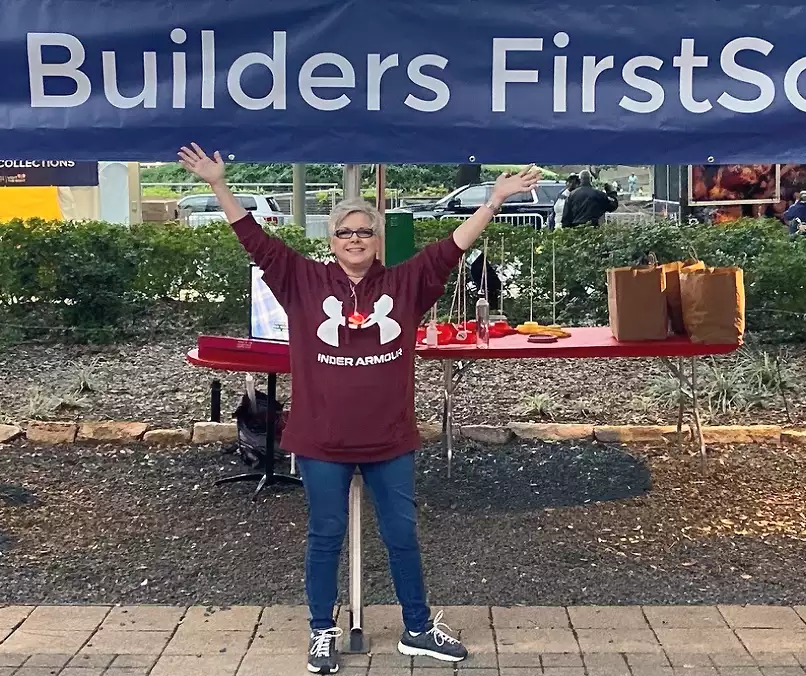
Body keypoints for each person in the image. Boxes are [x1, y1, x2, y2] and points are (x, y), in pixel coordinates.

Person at [177, 143, 540, 674]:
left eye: (365, 232)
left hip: (388, 438)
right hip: (321, 439)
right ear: (332, 240)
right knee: (324, 536)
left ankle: (417, 629)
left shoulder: (405, 283)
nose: (355, 239)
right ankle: (321, 631)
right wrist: (218, 184)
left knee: (402, 535)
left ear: (377, 240)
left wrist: (494, 200)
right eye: (345, 232)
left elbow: (451, 248)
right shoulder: (301, 280)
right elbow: (254, 239)